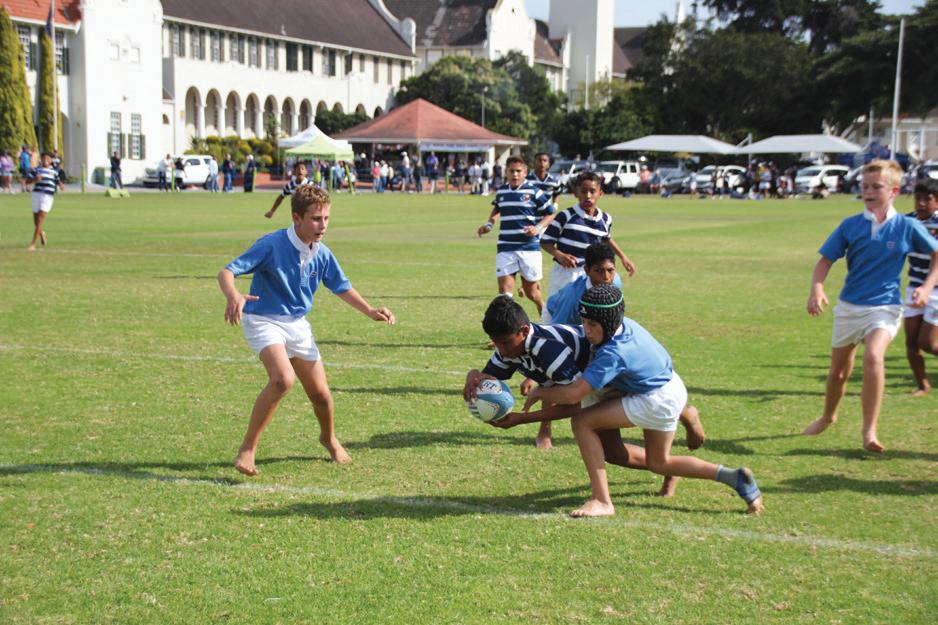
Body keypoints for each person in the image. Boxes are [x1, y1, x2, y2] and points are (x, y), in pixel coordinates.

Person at [522, 284, 763, 517]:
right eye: (583, 322)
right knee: (659, 463)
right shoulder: (625, 325)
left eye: (592, 324)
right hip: (668, 387)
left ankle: (602, 501)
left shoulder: (614, 352)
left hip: (656, 399)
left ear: (608, 323)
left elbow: (575, 394)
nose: (586, 330)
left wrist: (541, 392)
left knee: (582, 422)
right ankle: (734, 477)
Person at [217, 185, 396, 476]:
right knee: (282, 379)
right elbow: (227, 271)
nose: (322, 225)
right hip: (263, 319)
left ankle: (328, 438)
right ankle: (247, 450)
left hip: (297, 324)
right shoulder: (272, 244)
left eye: (326, 218)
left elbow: (341, 286)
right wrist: (233, 294)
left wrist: (370, 311)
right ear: (296, 218)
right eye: (315, 219)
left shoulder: (321, 253)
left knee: (321, 395)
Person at [464, 297, 701, 488]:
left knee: (590, 427)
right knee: (614, 453)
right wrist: (473, 375)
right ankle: (671, 460)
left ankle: (608, 496)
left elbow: (574, 403)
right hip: (593, 384)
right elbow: (488, 377)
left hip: (607, 379)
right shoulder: (509, 348)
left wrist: (523, 418)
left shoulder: (551, 353)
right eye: (495, 342)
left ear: (524, 331)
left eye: (504, 342)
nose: (501, 350)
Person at [802, 160, 938, 453]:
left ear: (894, 191)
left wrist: (927, 287)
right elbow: (825, 261)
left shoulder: (907, 226)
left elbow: (936, 254)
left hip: (885, 307)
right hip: (849, 307)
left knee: (874, 357)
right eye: (865, 186)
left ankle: (869, 432)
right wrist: (817, 288)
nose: (868, 192)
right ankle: (828, 416)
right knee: (838, 373)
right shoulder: (850, 225)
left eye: (876, 187)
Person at [540, 242, 706, 451]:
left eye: (610, 270)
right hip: (560, 321)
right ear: (587, 270)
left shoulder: (614, 282)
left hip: (595, 332)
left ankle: (684, 413)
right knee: (553, 372)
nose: (606, 277)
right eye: (599, 271)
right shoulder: (573, 299)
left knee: (620, 374)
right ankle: (545, 431)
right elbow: (553, 336)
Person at [477, 155, 556, 316]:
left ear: (525, 172)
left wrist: (538, 228)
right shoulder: (502, 191)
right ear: (506, 172)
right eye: (511, 171)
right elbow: (497, 208)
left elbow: (551, 213)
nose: (515, 174)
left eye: (518, 171)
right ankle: (507, 327)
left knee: (532, 293)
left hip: (529, 248)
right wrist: (489, 224)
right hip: (506, 247)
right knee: (505, 293)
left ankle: (546, 316)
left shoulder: (534, 192)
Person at [540, 171, 636, 299]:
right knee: (558, 306)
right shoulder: (566, 216)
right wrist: (560, 255)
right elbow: (545, 241)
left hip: (591, 273)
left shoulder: (605, 219)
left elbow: (606, 239)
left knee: (589, 308)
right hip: (566, 274)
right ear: (576, 193)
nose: (588, 196)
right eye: (583, 191)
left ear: (600, 193)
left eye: (592, 191)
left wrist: (624, 258)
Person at [903, 179, 938, 395]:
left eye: (928, 199)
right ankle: (923, 385)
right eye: (918, 198)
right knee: (911, 341)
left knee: (927, 342)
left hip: (936, 290)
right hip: (914, 287)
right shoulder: (907, 221)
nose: (921, 203)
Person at [26, 152, 64, 251]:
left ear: (51, 160)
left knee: (39, 220)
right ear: (41, 159)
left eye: (47, 158)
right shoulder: (36, 170)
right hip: (36, 195)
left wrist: (61, 185)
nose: (45, 160)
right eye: (44, 158)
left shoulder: (54, 171)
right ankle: (42, 234)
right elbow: (27, 181)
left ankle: (33, 244)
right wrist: (35, 179)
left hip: (47, 196)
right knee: (36, 221)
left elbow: (58, 181)